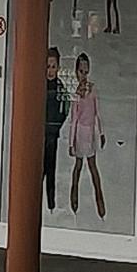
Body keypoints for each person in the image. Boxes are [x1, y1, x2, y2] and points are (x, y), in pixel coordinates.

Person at [66, 53, 107, 220]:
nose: (83, 73)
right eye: (81, 70)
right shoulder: (75, 93)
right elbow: (73, 119)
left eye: (86, 70)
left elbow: (98, 113)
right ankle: (74, 198)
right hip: (80, 133)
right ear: (77, 71)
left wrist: (102, 133)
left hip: (89, 132)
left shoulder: (93, 89)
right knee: (78, 166)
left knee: (92, 166)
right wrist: (70, 142)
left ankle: (100, 202)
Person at [43, 45, 68, 207]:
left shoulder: (60, 87)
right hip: (40, 132)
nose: (50, 71)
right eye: (48, 66)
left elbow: (65, 108)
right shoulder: (39, 86)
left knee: (51, 168)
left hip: (53, 132)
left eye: (53, 67)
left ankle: (51, 204)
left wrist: (58, 124)